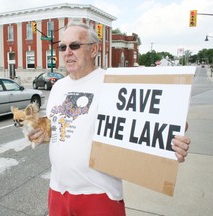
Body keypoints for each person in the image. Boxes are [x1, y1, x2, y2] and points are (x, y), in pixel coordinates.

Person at [29, 21, 191, 216]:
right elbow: (59, 127)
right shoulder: (58, 87)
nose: (67, 52)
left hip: (99, 195)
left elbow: (154, 119)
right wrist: (42, 133)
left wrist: (172, 140)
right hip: (58, 191)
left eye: (74, 45)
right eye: (63, 47)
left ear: (94, 49)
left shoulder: (114, 83)